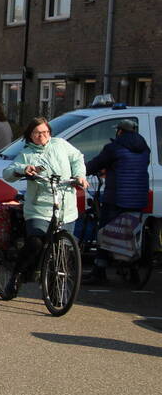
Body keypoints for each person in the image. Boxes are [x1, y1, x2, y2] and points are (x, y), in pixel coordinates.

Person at [2, 117, 87, 297]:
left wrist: (79, 175)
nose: (42, 136)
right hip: (38, 208)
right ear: (30, 135)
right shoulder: (26, 153)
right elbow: (8, 173)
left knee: (64, 248)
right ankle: (17, 276)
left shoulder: (60, 144)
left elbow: (77, 158)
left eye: (45, 132)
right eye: (37, 133)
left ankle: (57, 289)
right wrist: (24, 169)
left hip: (65, 206)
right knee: (35, 242)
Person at [83, 119, 150, 284]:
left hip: (117, 198)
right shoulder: (144, 149)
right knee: (130, 232)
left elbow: (94, 165)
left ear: (120, 131)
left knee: (106, 231)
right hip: (139, 198)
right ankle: (133, 269)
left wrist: (81, 170)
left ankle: (99, 271)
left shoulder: (113, 148)